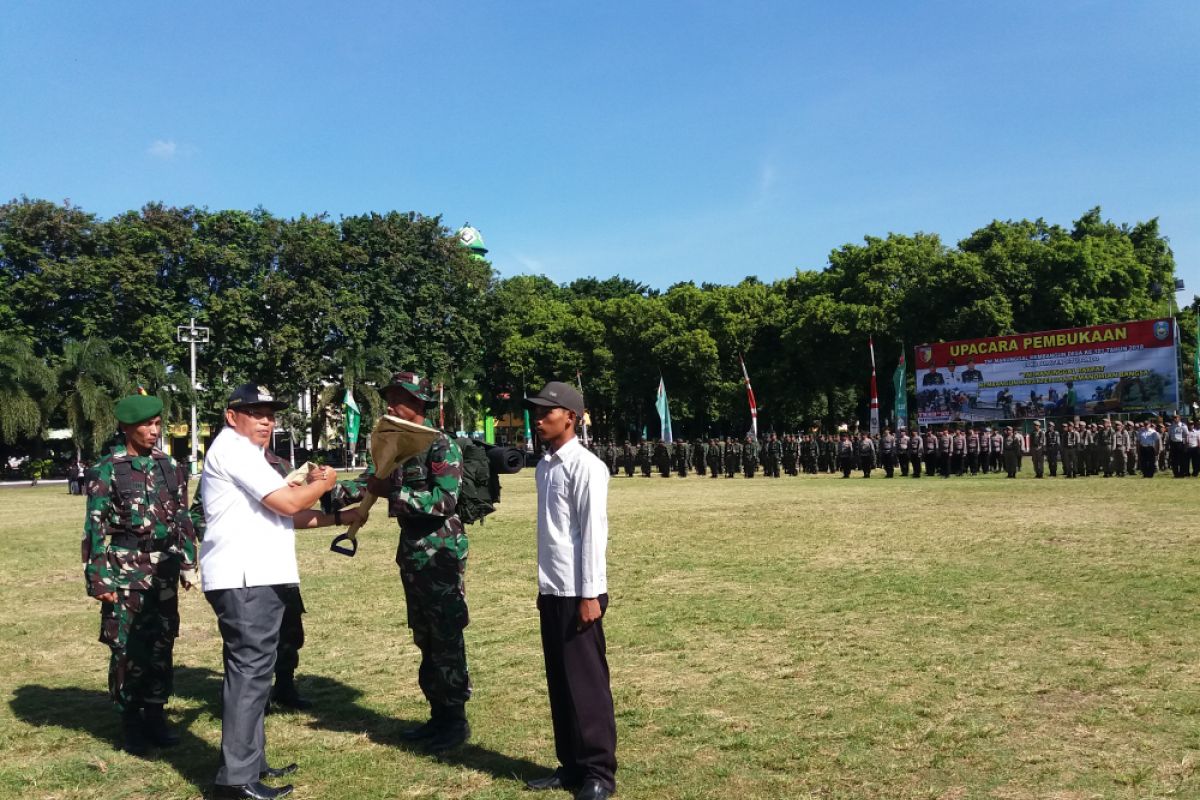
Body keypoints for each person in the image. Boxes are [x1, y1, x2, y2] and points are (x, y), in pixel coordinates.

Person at [200, 383, 347, 800]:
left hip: (254, 576)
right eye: (255, 411)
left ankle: (250, 763)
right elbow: (286, 503)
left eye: (271, 412)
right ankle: (237, 779)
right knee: (250, 675)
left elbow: (287, 514)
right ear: (233, 416)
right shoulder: (235, 451)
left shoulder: (246, 454)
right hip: (246, 578)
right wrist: (326, 482)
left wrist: (340, 516)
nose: (267, 420)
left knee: (253, 674)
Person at [332, 371, 473, 752]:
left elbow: (445, 501)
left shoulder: (440, 445)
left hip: (440, 554)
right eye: (390, 396)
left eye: (400, 397)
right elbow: (371, 478)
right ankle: (437, 715)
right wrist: (332, 491)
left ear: (419, 405)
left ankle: (454, 721)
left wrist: (393, 493)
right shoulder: (399, 442)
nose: (391, 404)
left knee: (445, 635)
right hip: (413, 554)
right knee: (424, 636)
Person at [82, 392, 197, 756]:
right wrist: (99, 580)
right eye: (146, 425)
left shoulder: (169, 466)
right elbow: (95, 527)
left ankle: (156, 714)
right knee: (128, 649)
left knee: (163, 643)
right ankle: (130, 722)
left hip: (163, 569)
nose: (153, 431)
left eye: (157, 424)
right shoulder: (108, 469)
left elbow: (181, 517)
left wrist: (189, 563)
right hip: (125, 571)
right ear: (125, 427)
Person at [525, 381, 617, 800]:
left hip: (580, 591)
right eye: (537, 412)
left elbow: (592, 535)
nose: (538, 419)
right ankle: (572, 765)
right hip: (553, 587)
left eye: (547, 412)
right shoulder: (546, 466)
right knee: (561, 682)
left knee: (587, 684)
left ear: (571, 418)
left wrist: (590, 595)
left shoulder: (586, 466)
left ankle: (599, 772)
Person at [190, 439, 313, 713]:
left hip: (276, 562)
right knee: (249, 636)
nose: (265, 428)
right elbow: (199, 513)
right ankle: (255, 697)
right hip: (244, 566)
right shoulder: (231, 460)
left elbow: (293, 509)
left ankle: (285, 685)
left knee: (290, 626)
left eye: (270, 419)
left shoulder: (279, 466)